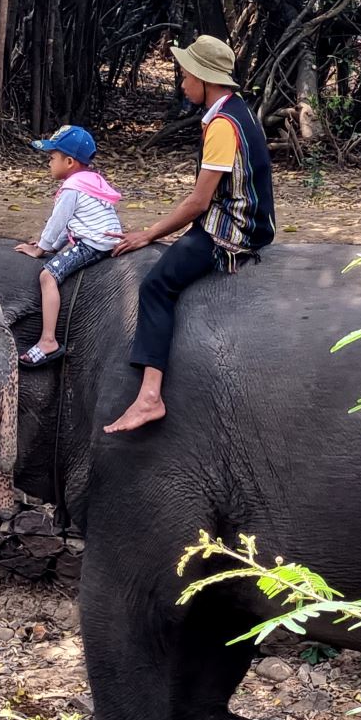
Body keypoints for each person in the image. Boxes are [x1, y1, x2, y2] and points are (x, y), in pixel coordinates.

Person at [103, 35, 274, 432]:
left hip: (232, 227)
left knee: (156, 286)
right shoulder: (238, 110)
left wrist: (148, 233)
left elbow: (198, 202)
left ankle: (149, 396)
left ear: (202, 77)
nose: (182, 83)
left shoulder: (221, 125)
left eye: (184, 75)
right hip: (253, 219)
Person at [14, 125, 123, 367]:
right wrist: (54, 246)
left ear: (70, 161)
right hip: (107, 238)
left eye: (52, 158)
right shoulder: (91, 181)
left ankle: (47, 340)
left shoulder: (71, 188)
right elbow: (72, 225)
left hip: (94, 243)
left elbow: (58, 222)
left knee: (47, 276)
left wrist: (40, 248)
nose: (49, 163)